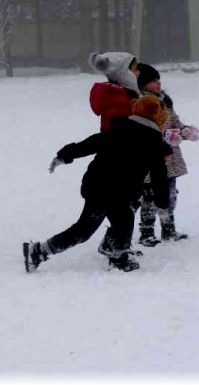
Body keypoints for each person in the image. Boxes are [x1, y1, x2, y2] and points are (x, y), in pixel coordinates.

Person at [24, 96, 172, 274]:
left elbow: (90, 144)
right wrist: (162, 201)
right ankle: (116, 255)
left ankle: (42, 250)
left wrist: (65, 154)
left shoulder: (119, 130)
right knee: (119, 222)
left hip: (97, 186)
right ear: (158, 118)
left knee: (90, 228)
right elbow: (159, 177)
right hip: (117, 193)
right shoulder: (153, 144)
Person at [135, 64, 199, 245]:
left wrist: (184, 130)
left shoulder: (165, 100)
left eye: (158, 80)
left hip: (170, 156)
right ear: (142, 84)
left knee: (170, 193)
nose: (158, 83)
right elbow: (144, 130)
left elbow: (175, 121)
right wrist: (165, 136)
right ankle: (146, 232)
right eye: (153, 81)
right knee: (149, 195)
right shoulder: (141, 104)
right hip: (151, 158)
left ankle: (168, 228)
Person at [88, 51, 140, 132]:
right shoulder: (117, 99)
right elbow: (117, 134)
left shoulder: (127, 94)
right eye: (135, 69)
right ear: (124, 73)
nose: (138, 73)